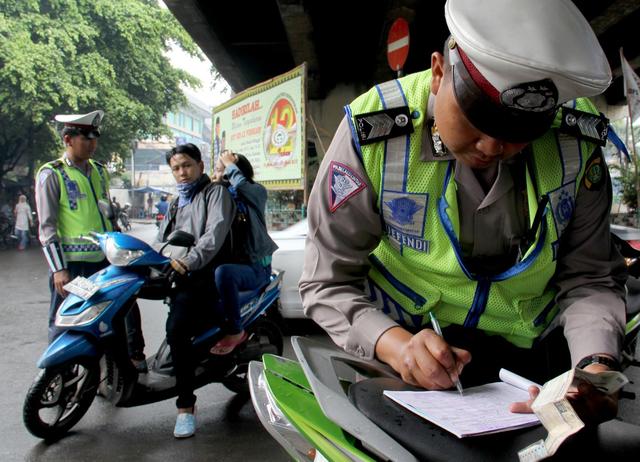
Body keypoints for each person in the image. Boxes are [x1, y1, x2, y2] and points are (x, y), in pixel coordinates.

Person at [299, 0, 628, 430]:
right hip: (407, 359)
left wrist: (595, 369)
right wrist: (396, 347)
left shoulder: (575, 142)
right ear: (438, 72)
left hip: (533, 367)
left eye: (517, 134)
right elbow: (327, 281)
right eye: (477, 119)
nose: (492, 147)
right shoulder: (376, 136)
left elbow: (589, 277)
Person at [35, 110, 147, 369]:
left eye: (94, 138)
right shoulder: (51, 174)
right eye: (85, 138)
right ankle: (58, 376)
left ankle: (119, 368)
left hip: (103, 263)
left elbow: (106, 212)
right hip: (72, 268)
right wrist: (58, 269)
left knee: (113, 314)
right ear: (68, 140)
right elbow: (47, 227)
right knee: (64, 320)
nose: (92, 144)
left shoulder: (98, 170)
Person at [157, 143, 236, 438]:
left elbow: (213, 236)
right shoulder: (178, 201)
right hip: (179, 271)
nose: (182, 173)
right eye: (176, 168)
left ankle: (185, 407)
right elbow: (162, 237)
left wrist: (188, 262)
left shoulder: (216, 193)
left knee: (176, 330)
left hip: (205, 273)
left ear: (200, 166)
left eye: (187, 165)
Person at [209, 150, 278, 354]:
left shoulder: (255, 193)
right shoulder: (219, 197)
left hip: (256, 268)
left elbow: (241, 185)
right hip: (230, 262)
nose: (217, 174)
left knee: (224, 273)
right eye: (217, 170)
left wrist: (230, 165)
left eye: (223, 170)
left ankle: (236, 330)